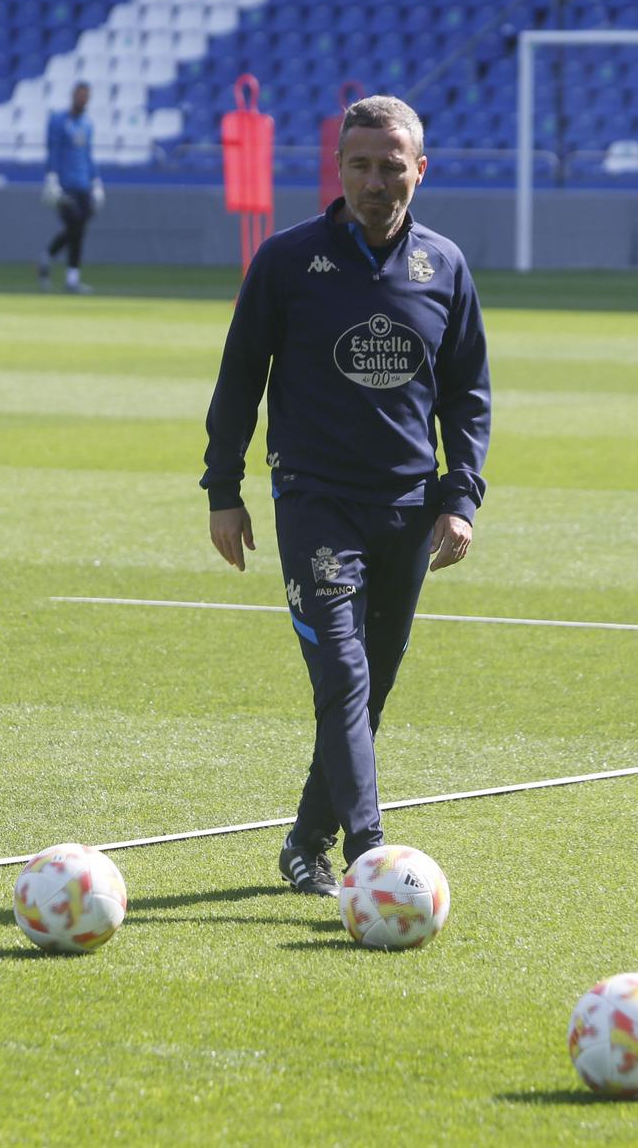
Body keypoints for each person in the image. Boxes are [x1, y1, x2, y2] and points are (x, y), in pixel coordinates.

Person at [200, 94, 492, 897]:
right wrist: (223, 488)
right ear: (338, 170)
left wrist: (460, 496)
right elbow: (239, 379)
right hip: (314, 499)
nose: (374, 181)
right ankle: (371, 855)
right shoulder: (288, 262)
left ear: (418, 171)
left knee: (372, 689)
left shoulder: (447, 267)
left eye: (390, 166)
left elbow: (468, 394)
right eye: (359, 165)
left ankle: (304, 842)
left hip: (408, 509)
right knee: (342, 674)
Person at [39, 82, 104, 294]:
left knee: (77, 230)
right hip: (65, 185)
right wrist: (52, 177)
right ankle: (71, 278)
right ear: (73, 95)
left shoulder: (87, 124)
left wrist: (96, 182)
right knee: (75, 225)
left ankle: (49, 257)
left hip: (83, 184)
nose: (82, 99)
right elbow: (53, 150)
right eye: (80, 95)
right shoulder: (59, 120)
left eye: (86, 96)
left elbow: (88, 155)